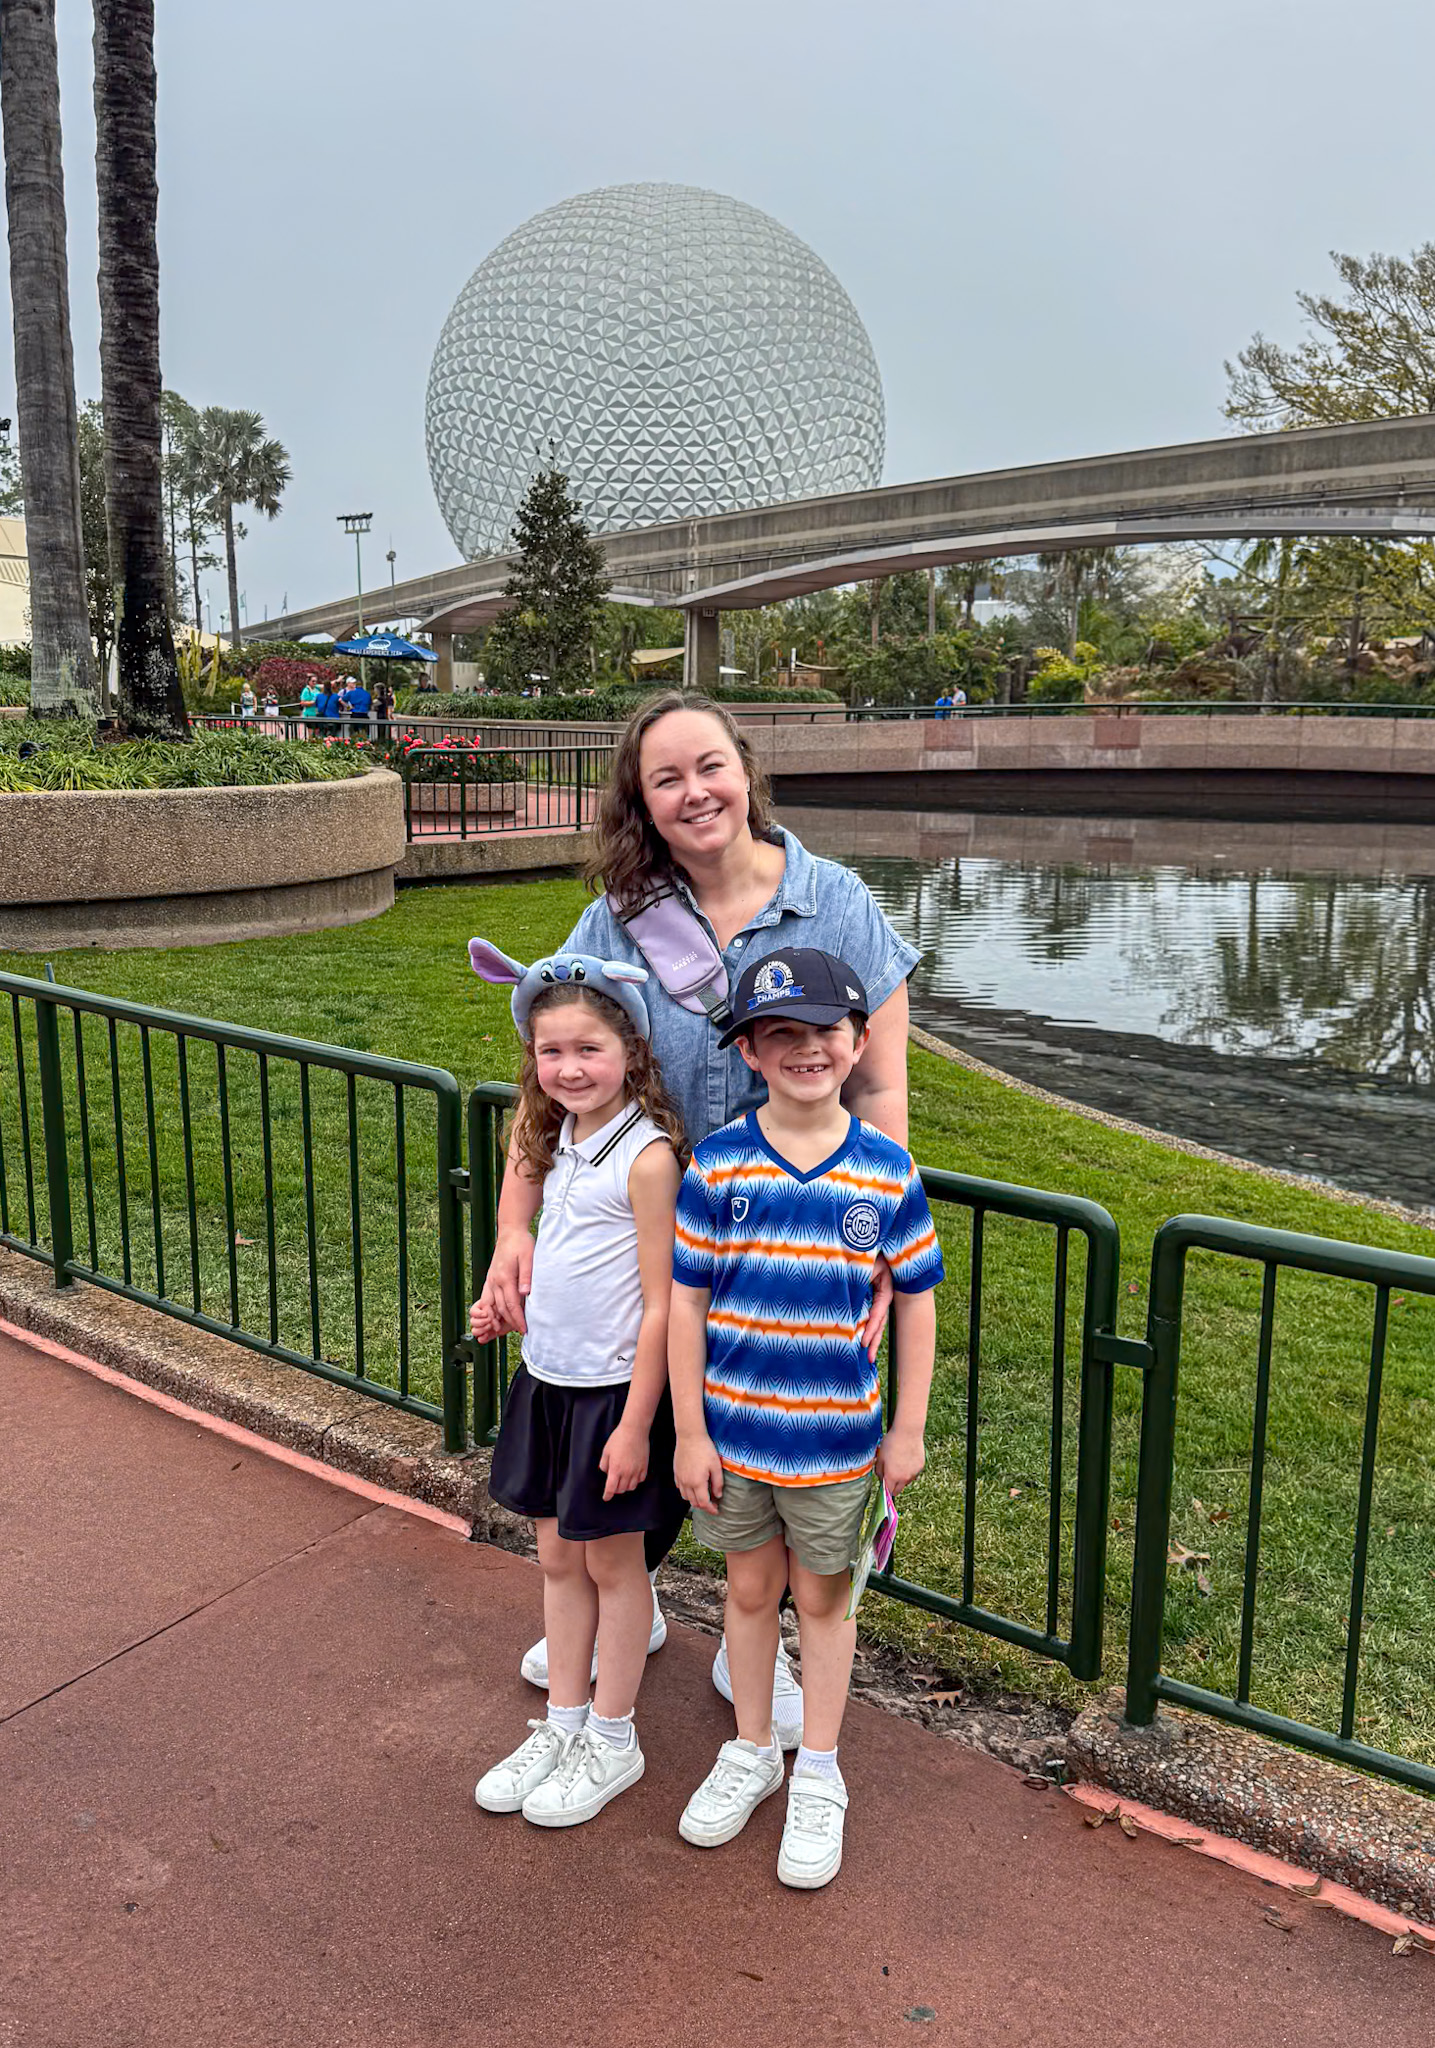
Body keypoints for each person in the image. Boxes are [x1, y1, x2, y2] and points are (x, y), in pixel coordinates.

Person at [475, 691, 921, 1750]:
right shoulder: (620, 916)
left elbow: (883, 1096)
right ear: (641, 799)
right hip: (659, 1234)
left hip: (793, 1243)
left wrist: (875, 1249)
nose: (693, 791)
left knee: (769, 1425)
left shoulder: (837, 902)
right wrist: (511, 1226)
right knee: (653, 1420)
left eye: (708, 766)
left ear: (744, 770)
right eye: (664, 777)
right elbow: (549, 1073)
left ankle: (742, 1620)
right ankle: (616, 1593)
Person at [670, 948, 942, 1888]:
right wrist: (690, 1432)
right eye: (779, 1032)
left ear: (857, 1040)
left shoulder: (885, 1172)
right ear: (749, 1050)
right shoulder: (715, 1166)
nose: (805, 1049)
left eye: (825, 1030)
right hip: (734, 1435)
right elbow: (686, 1306)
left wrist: (905, 1428)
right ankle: (752, 1749)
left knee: (822, 1605)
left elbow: (914, 1300)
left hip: (835, 1444)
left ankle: (817, 1772)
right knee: (747, 1596)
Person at [467, 940, 685, 1827]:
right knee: (555, 1556)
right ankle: (561, 1722)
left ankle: (612, 1734)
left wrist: (637, 1425)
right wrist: (502, 1306)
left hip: (615, 1397)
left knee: (612, 1563)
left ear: (630, 1050)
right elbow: (544, 1253)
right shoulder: (549, 1136)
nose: (568, 1068)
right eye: (550, 1051)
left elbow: (664, 1304)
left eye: (588, 1049)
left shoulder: (649, 1157)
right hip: (548, 1382)